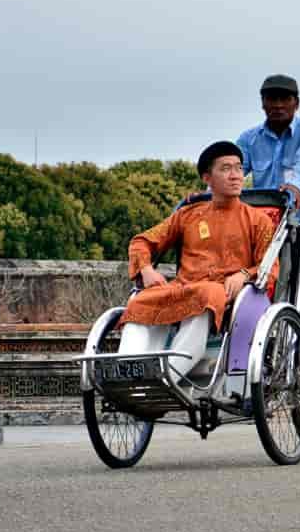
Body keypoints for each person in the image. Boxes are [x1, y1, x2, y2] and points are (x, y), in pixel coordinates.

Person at [117, 141, 276, 387]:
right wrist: (146, 270)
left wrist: (244, 274)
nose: (236, 175)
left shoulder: (258, 220)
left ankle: (168, 377)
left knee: (207, 293)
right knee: (141, 300)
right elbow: (141, 241)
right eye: (226, 169)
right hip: (184, 286)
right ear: (207, 177)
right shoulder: (188, 214)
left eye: (239, 168)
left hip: (223, 292)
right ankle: (127, 372)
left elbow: (269, 266)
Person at [236, 74, 300, 353]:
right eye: (271, 99)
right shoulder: (250, 139)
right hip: (265, 228)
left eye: (284, 99)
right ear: (263, 103)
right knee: (250, 289)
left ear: (296, 103)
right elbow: (233, 171)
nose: (277, 105)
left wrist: (294, 187)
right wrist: (211, 192)